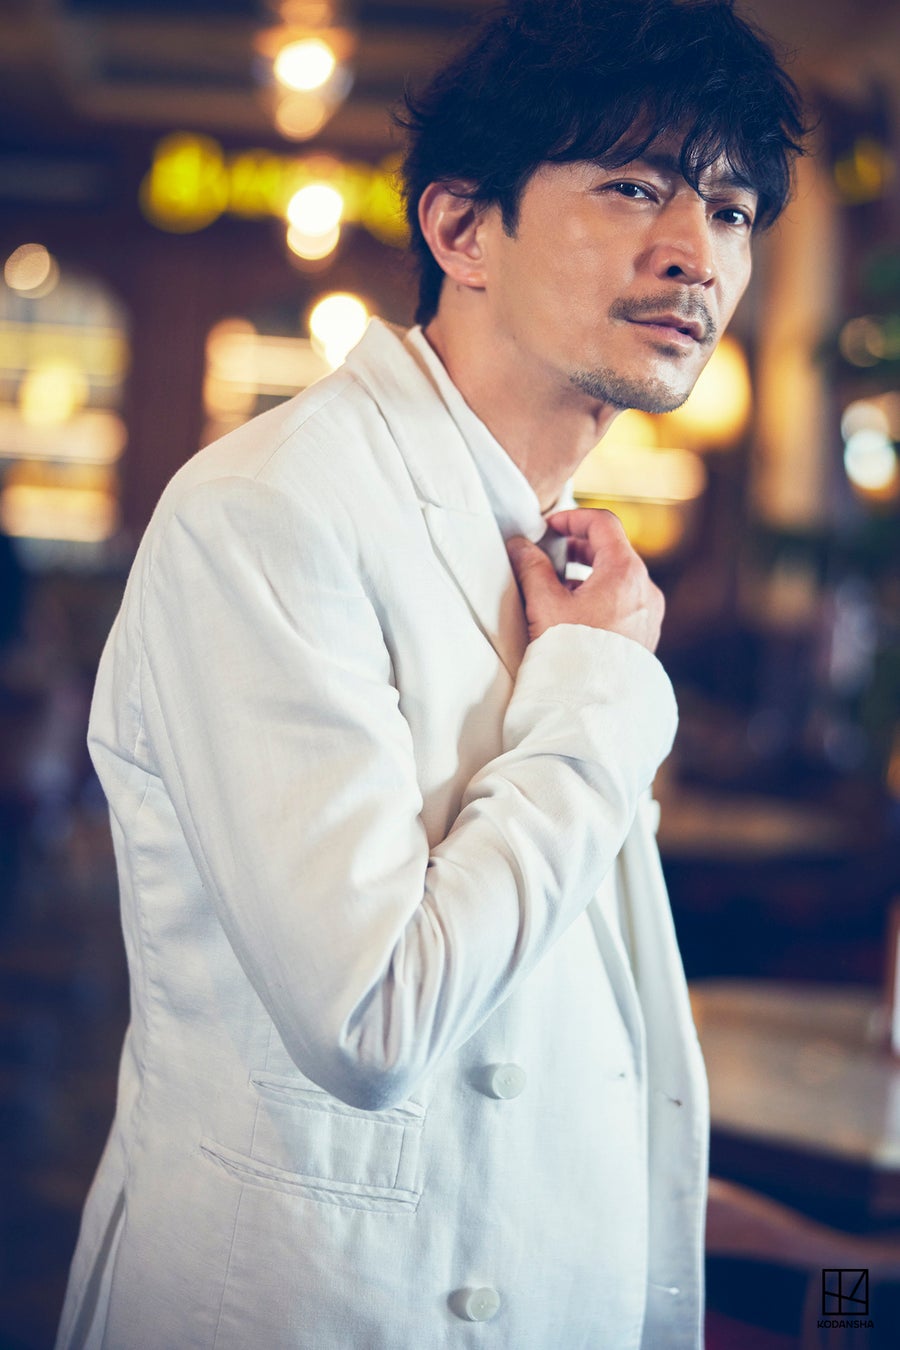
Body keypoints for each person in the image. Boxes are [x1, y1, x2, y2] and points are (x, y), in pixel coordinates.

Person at [56, 2, 805, 1346]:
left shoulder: (542, 536)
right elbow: (374, 1016)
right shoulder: (271, 508)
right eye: (633, 187)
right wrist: (597, 690)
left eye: (735, 210)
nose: (695, 253)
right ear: (461, 229)